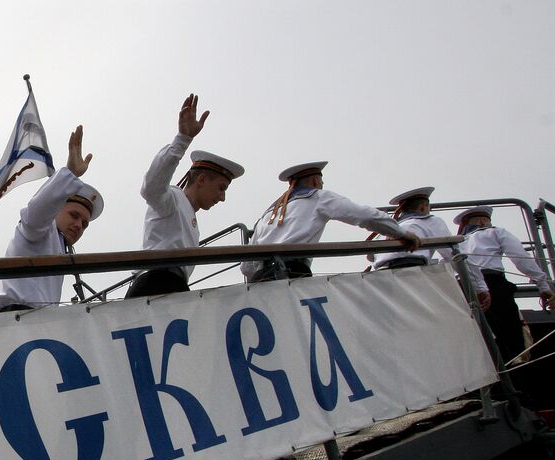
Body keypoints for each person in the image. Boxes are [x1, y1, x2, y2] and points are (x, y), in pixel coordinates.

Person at [127, 94, 244, 298]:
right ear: (201, 181)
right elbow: (151, 188)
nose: (222, 197)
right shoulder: (171, 199)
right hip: (156, 282)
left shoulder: (188, 214)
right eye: (221, 187)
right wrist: (183, 139)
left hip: (173, 284)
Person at [0, 126, 102, 313]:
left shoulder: (59, 244)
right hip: (16, 317)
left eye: (84, 224)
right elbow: (38, 209)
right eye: (74, 215)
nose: (79, 225)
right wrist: (70, 173)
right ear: (56, 209)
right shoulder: (39, 228)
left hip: (39, 321)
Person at [241, 161, 420, 282]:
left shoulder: (268, 213)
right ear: (315, 181)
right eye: (321, 182)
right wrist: (401, 233)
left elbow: (246, 267)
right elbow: (364, 216)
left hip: (261, 280)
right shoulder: (319, 198)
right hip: (291, 274)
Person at [454, 206, 555, 364]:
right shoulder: (494, 232)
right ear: (483, 221)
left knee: (476, 337)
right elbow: (520, 258)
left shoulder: (456, 244)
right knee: (509, 334)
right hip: (492, 283)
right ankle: (513, 371)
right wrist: (543, 285)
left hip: (461, 288)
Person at [371, 186, 490, 310]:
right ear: (423, 207)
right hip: (410, 274)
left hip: (379, 277)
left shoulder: (387, 230)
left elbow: (370, 256)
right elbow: (453, 254)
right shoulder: (429, 221)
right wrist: (480, 287)